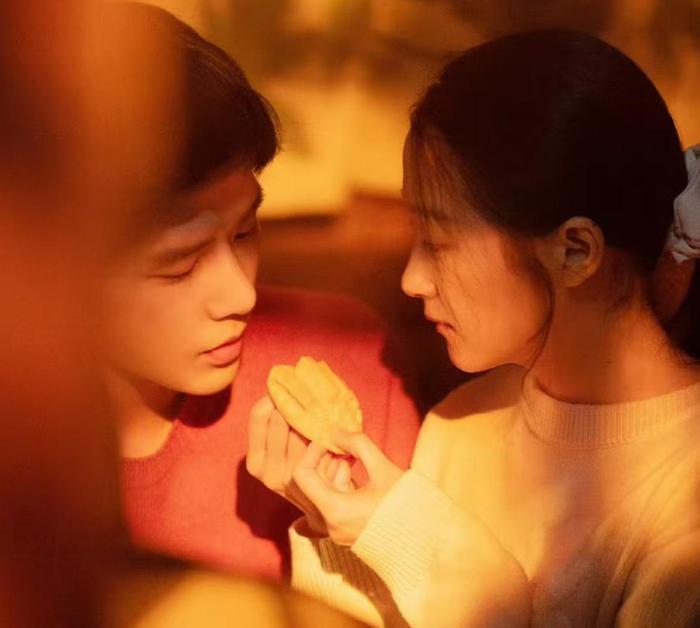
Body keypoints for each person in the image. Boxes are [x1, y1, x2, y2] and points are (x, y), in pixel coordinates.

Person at [248, 30, 700, 627]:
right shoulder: (459, 425)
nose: (412, 280)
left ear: (575, 250)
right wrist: (341, 529)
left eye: (437, 242)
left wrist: (462, 574)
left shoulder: (686, 503)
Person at [101, 3, 420, 581]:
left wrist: (342, 532)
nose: (240, 296)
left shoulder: (349, 360)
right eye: (180, 263)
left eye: (245, 232)